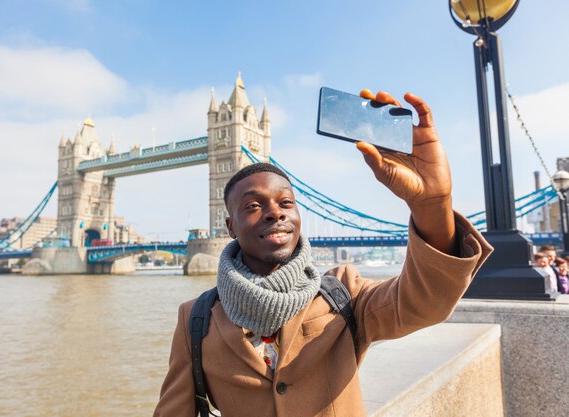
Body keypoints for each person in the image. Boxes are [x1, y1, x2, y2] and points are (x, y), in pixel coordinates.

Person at [154, 90, 493, 417]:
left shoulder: (343, 293)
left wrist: (432, 206)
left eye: (286, 202)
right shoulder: (195, 319)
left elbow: (426, 304)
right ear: (229, 227)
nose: (276, 213)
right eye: (254, 206)